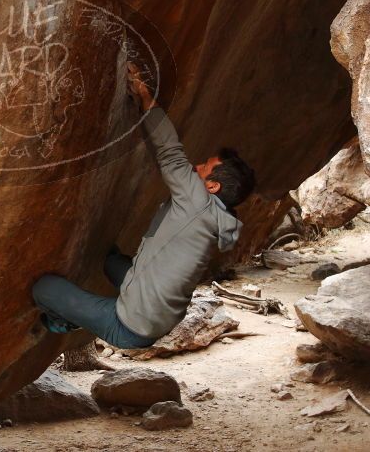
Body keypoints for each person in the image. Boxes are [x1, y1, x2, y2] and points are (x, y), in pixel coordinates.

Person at [31, 62, 256, 348]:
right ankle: (91, 308)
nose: (196, 167)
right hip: (157, 319)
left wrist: (144, 96)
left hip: (129, 326)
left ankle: (65, 320)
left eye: (204, 167)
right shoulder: (218, 218)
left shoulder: (199, 203)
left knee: (45, 288)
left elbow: (170, 151)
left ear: (213, 187)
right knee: (111, 262)